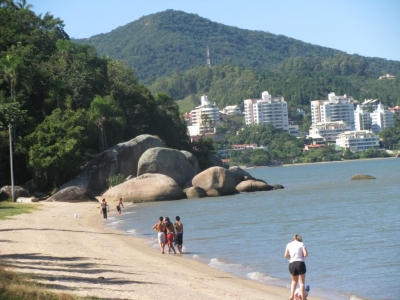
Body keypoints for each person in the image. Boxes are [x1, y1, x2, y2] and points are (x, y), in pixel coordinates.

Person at [284, 234, 308, 300]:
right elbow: (306, 254)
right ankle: (303, 298)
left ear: (293, 239)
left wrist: (291, 257)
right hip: (300, 263)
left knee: (294, 281)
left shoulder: (288, 244)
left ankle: (291, 296)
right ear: (300, 239)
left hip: (292, 263)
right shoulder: (301, 244)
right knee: (302, 283)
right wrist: (301, 256)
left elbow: (286, 255)